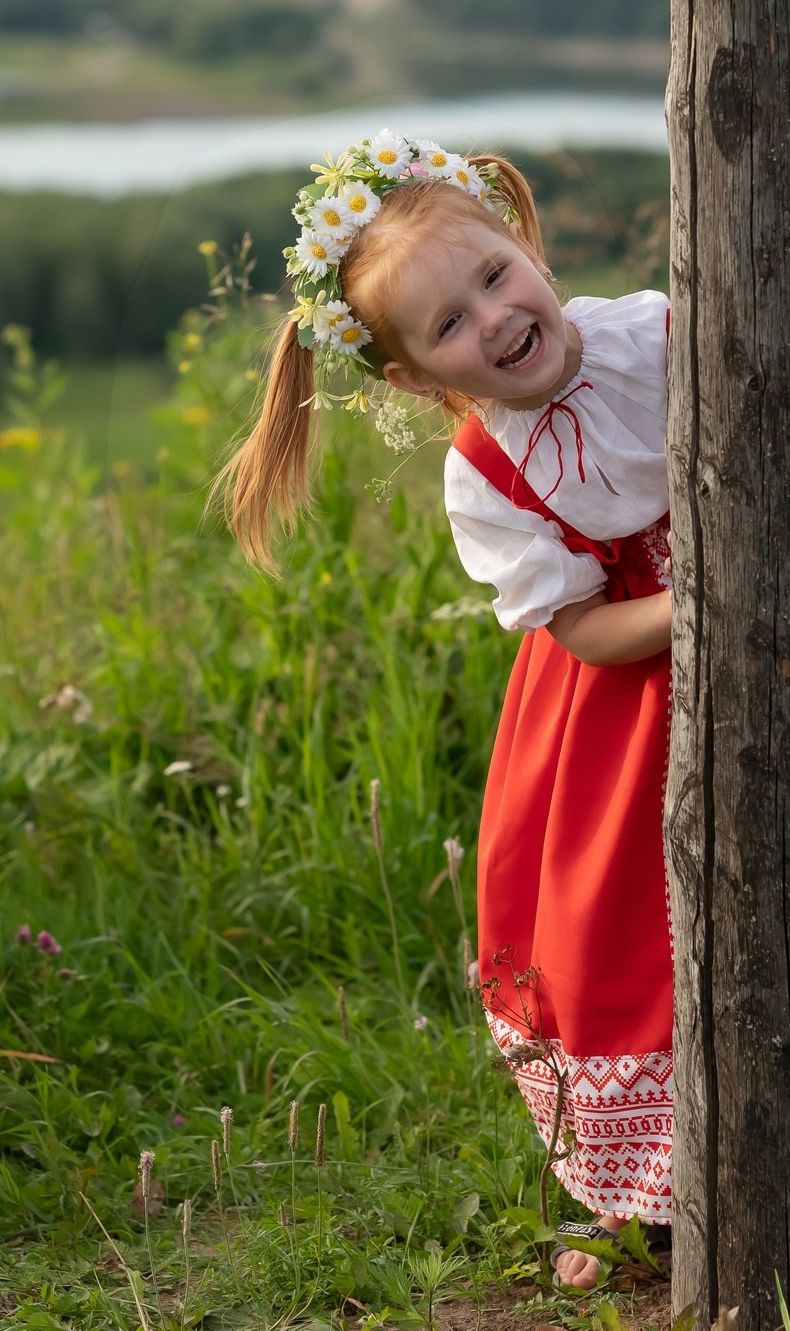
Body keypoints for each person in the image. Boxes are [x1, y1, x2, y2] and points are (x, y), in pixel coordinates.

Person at [219, 132, 672, 1289]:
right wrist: (705, 602)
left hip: (767, 640)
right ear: (419, 378)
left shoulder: (663, 332)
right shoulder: (486, 470)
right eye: (448, 326)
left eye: (491, 276)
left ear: (525, 242)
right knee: (615, 927)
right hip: (622, 695)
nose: (493, 317)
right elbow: (580, 630)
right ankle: (626, 1191)